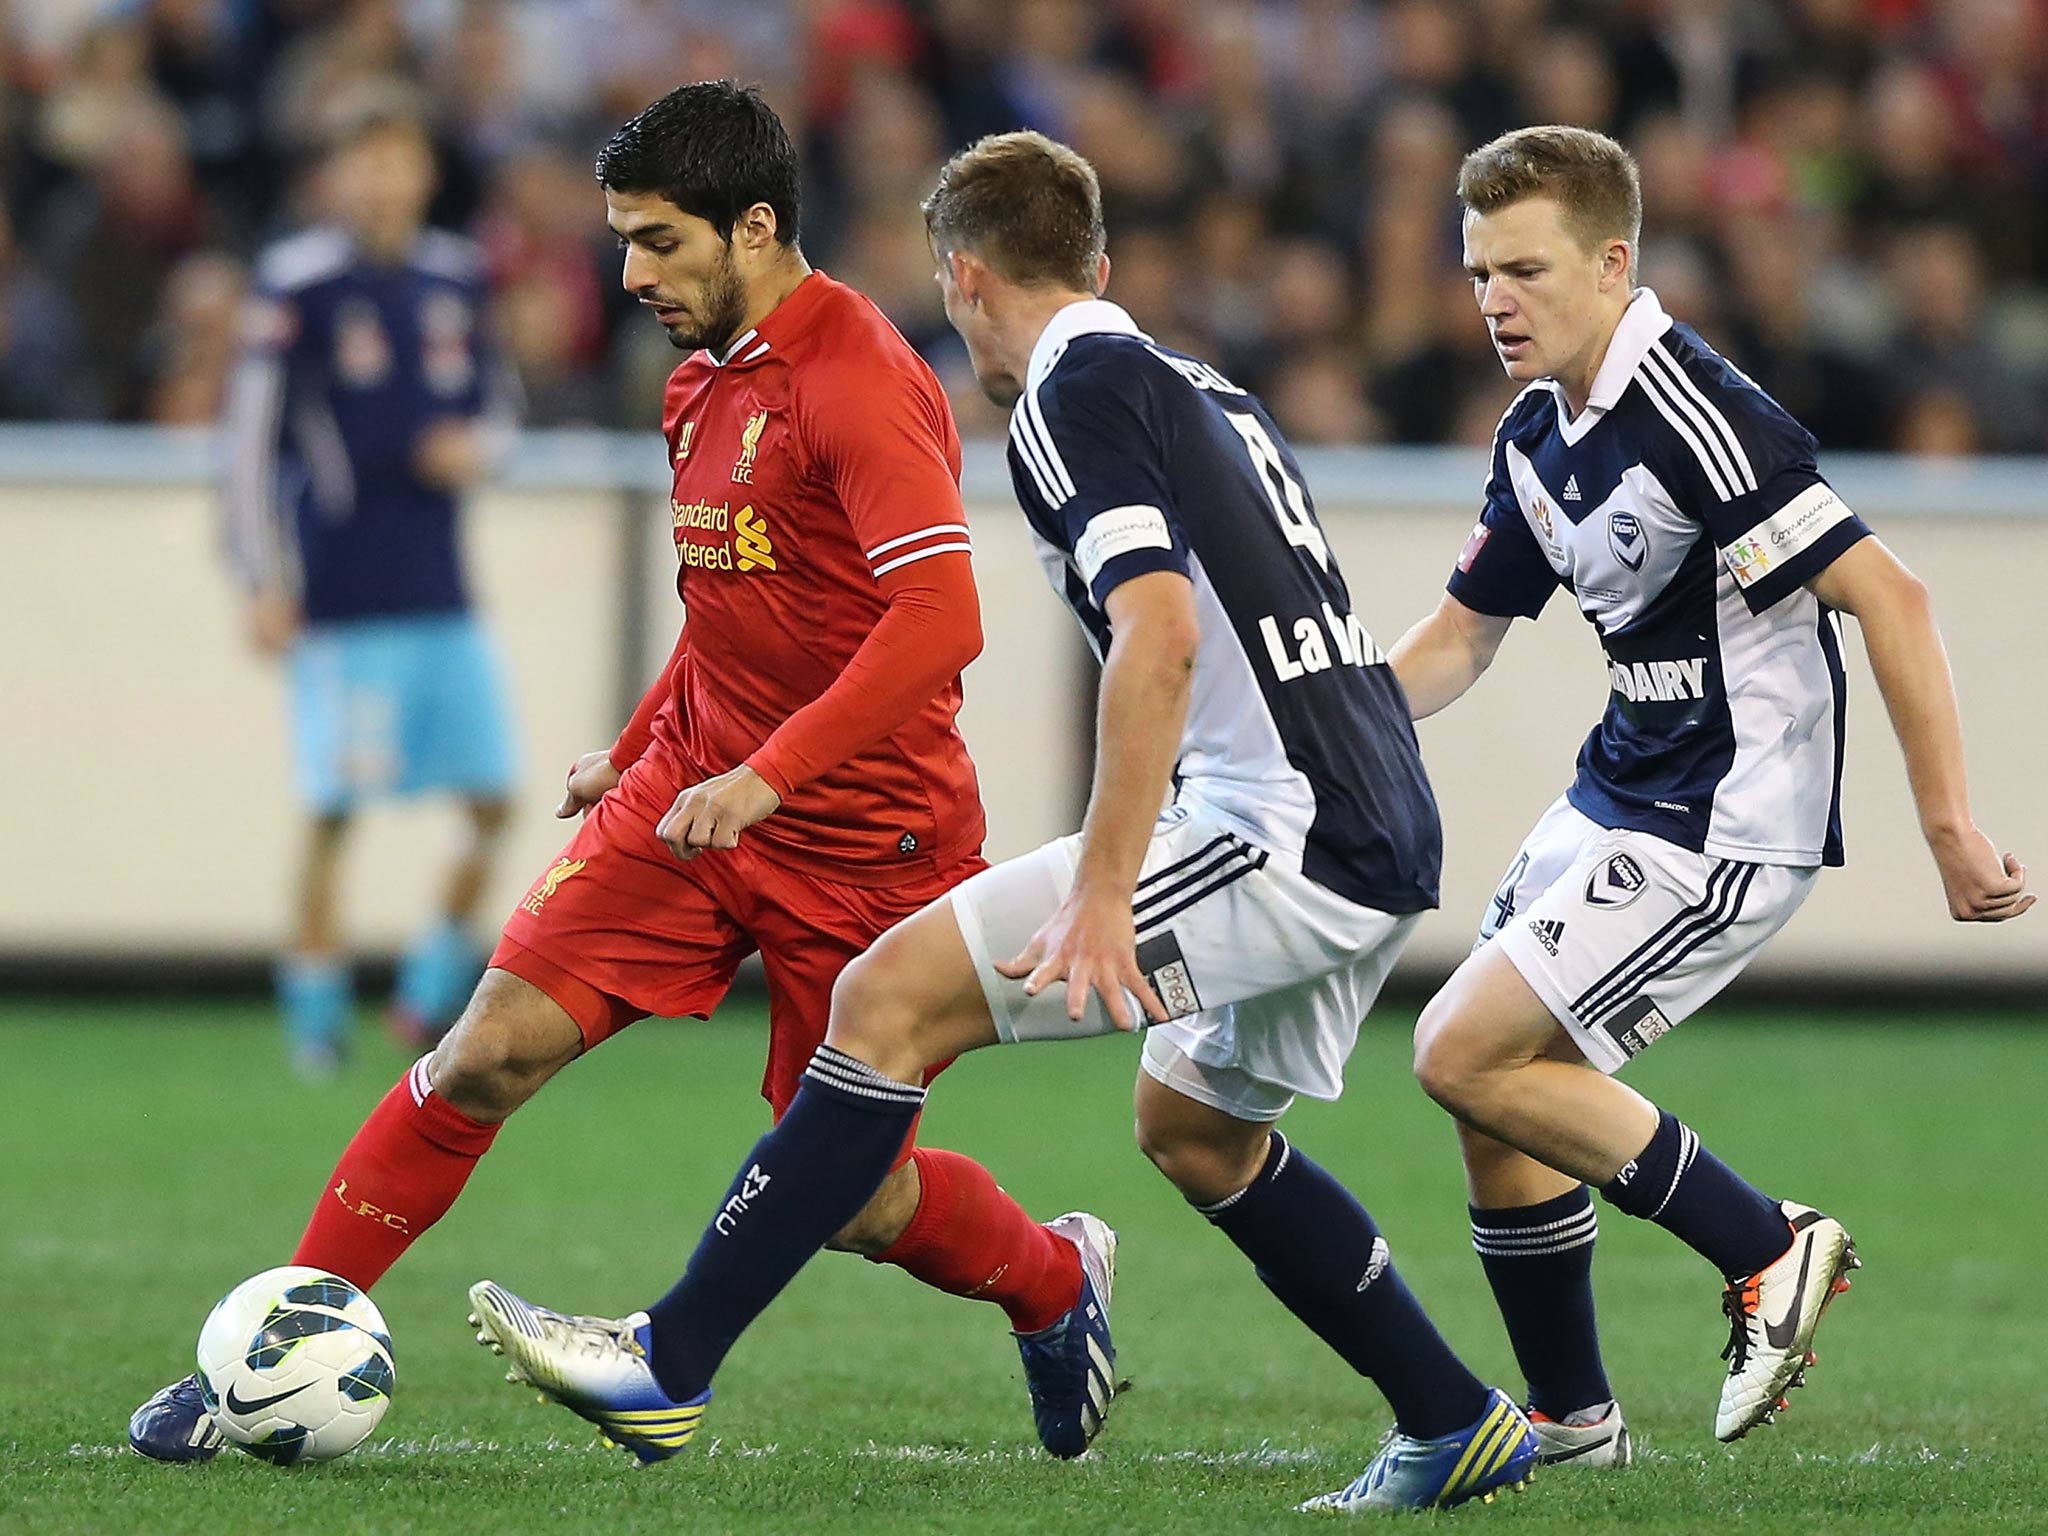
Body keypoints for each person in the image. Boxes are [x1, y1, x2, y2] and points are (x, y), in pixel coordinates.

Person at [467, 130, 1542, 1515]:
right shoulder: (1198, 382)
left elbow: (1155, 635)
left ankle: (667, 1358)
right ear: (1097, 264)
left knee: (882, 1001)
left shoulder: (1067, 398)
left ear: (960, 277)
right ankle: (1453, 1418)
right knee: (1196, 1130)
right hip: (1376, 817)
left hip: (1278, 828)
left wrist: (1105, 889)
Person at [131, 82, 1101, 1467]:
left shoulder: (861, 377)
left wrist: (765, 777)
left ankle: (1059, 1285)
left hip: (865, 838)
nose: (630, 274)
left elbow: (940, 622)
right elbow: (736, 610)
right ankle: (272, 1352)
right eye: (624, 241)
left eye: (658, 242)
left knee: (847, 1196)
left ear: (754, 226)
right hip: (693, 798)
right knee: (482, 1055)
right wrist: (646, 745)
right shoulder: (697, 378)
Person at [1390, 124, 2034, 1462]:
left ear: (1613, 262)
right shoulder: (1534, 433)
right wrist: (1320, 716)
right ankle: (1575, 1423)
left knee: (1460, 1047)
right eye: (1477, 272)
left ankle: (1768, 1244)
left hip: (1731, 817)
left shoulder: (1697, 410)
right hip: (1622, 786)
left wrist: (1949, 826)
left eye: (1524, 267)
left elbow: (1891, 599)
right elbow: (1460, 638)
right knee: (1492, 1093)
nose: (1494, 300)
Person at [217, 104, 521, 1078]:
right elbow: (248, 444)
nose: (381, 183)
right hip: (341, 600)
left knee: (493, 798)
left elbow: (503, 411)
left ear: (423, 174)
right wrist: (263, 578)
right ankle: (313, 1017)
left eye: (398, 162)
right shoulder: (296, 284)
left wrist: (476, 450)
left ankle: (426, 988)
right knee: (333, 807)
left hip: (441, 590)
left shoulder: (456, 277)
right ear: (333, 179)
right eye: (364, 165)